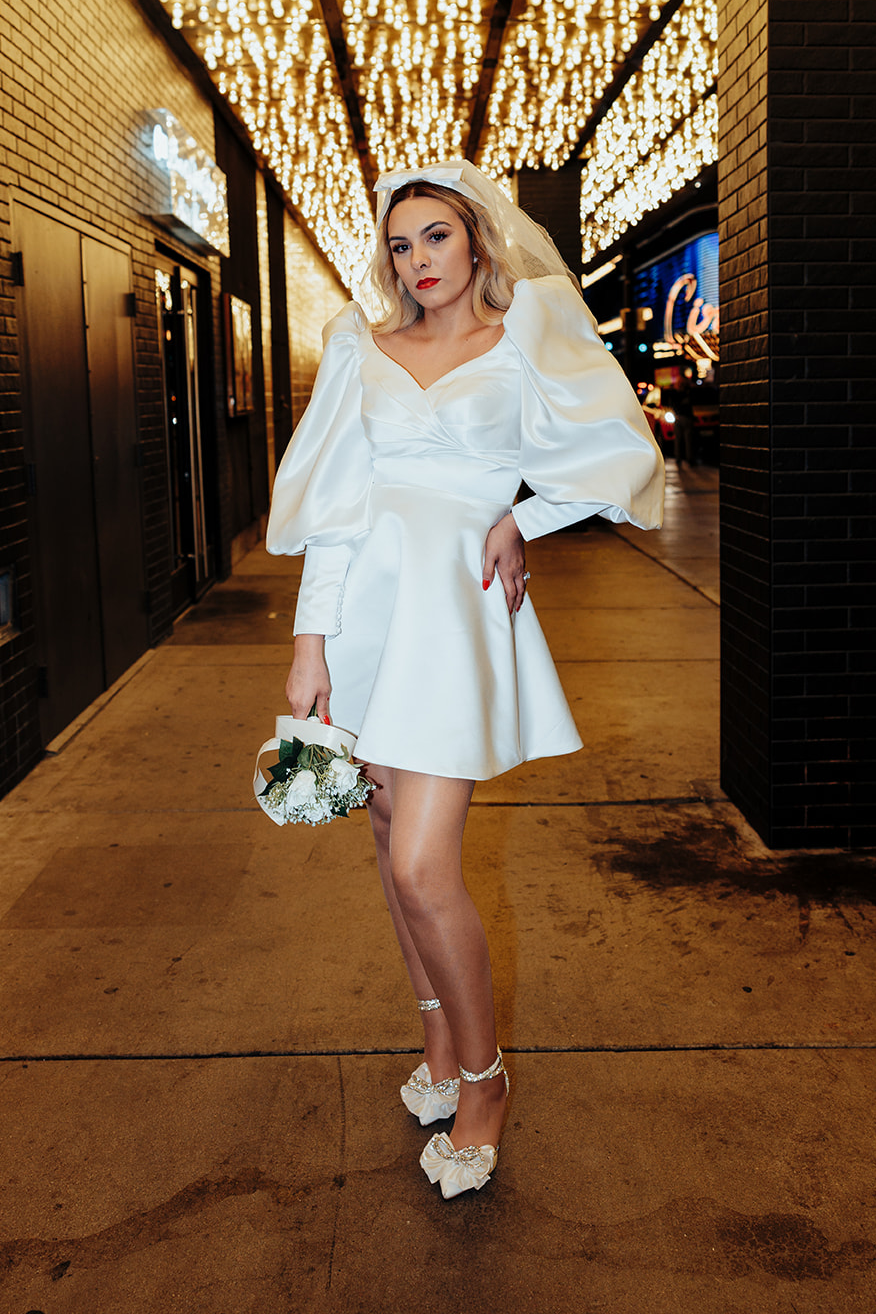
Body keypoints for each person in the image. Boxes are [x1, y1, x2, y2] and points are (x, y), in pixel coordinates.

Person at [265, 161, 664, 1198]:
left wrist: (516, 519)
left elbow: (615, 454)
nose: (418, 261)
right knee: (384, 834)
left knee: (419, 867)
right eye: (400, 244)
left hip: (455, 618)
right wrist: (310, 648)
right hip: (364, 622)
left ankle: (484, 1080)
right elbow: (335, 511)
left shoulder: (524, 329)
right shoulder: (362, 348)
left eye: (435, 237)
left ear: (477, 239)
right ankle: (438, 1043)